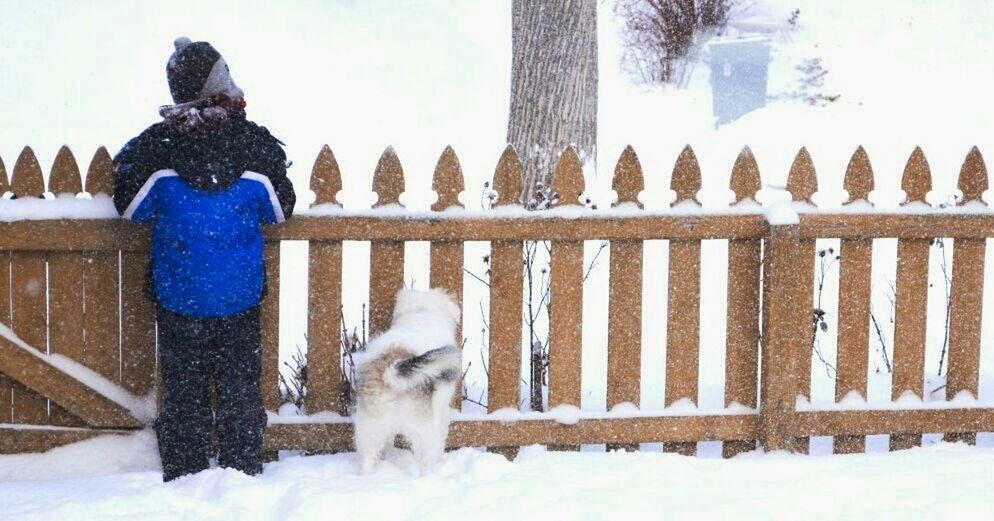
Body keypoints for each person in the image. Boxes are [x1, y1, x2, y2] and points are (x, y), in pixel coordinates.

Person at [112, 37, 295, 482]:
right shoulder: (254, 145)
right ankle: (242, 466)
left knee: (184, 391)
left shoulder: (159, 147)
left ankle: (185, 468)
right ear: (218, 85)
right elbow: (279, 209)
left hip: (179, 294)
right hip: (239, 295)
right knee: (238, 388)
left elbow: (132, 208)